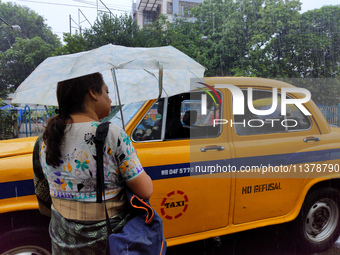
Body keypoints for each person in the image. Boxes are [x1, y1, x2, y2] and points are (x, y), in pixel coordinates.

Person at [33, 72, 153, 254]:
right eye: (107, 91)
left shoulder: (45, 138)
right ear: (93, 93)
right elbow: (145, 190)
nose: (110, 99)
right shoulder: (112, 135)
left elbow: (44, 197)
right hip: (106, 243)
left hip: (62, 241)